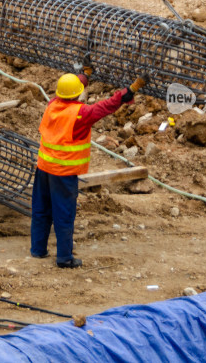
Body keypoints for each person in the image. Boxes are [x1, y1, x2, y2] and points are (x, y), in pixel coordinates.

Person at [30, 71, 146, 268]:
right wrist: (132, 89)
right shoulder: (81, 114)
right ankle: (64, 257)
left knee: (41, 209)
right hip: (63, 174)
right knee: (64, 214)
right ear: (78, 94)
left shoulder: (52, 104)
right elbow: (107, 106)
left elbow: (70, 90)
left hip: (43, 168)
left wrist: (83, 75)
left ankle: (38, 249)